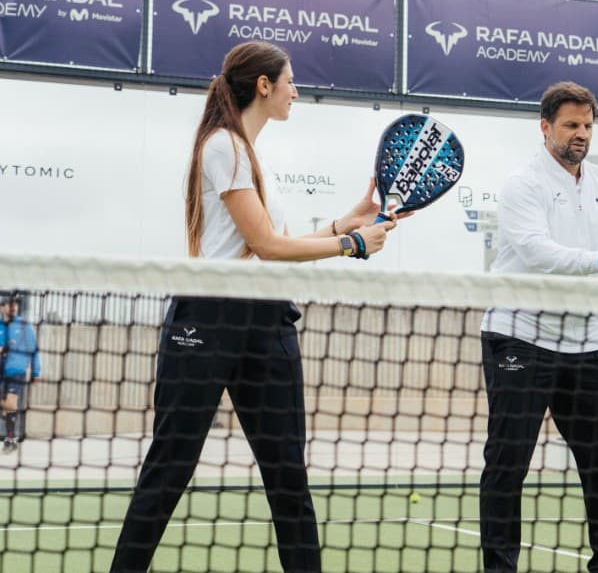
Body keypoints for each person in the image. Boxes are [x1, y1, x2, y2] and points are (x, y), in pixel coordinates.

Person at [111, 40, 403, 573]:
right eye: (290, 81)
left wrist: (346, 222)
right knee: (170, 466)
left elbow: (275, 249)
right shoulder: (223, 146)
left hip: (267, 321)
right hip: (208, 320)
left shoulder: (250, 152)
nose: (296, 92)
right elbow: (267, 245)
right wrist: (351, 245)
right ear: (264, 86)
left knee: (288, 476)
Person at [479, 82, 598, 573]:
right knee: (508, 461)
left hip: (591, 340)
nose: (581, 133)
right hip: (520, 334)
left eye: (587, 125)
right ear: (545, 127)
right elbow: (537, 252)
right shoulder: (523, 184)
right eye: (571, 125)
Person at [0, 291, 41, 454]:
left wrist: (36, 372)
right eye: (8, 304)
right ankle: (10, 436)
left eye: (15, 304)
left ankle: (10, 440)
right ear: (2, 307)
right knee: (7, 407)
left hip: (16, 370)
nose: (13, 307)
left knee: (11, 404)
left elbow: (34, 350)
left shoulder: (25, 326)